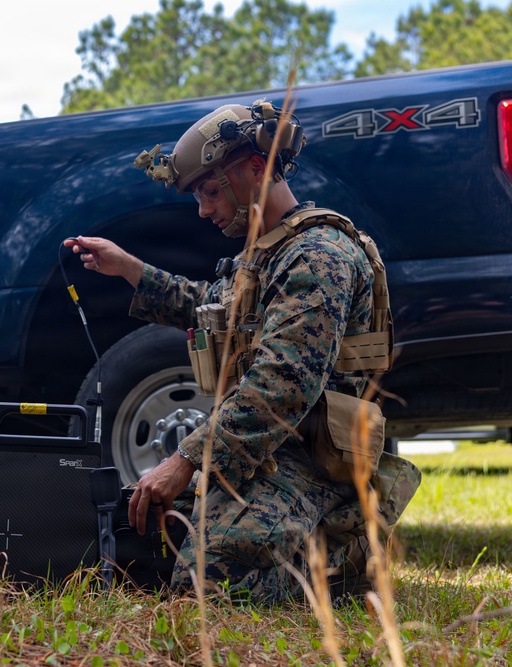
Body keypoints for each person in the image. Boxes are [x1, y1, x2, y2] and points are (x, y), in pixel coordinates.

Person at [65, 103, 420, 603]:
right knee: (131, 526)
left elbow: (281, 386)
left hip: (313, 462)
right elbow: (210, 305)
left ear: (256, 168)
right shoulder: (266, 254)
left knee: (210, 582)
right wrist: (129, 269)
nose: (204, 209)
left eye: (210, 191)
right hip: (261, 450)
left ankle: (343, 549)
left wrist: (184, 460)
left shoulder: (318, 257)